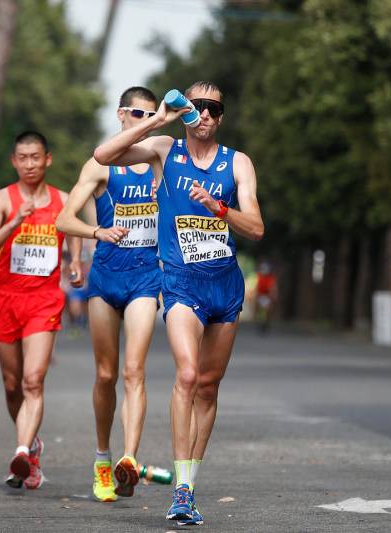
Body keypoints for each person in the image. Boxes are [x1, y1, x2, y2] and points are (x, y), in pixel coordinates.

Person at [93, 81, 264, 525]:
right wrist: (159, 120)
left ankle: (188, 481)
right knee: (187, 375)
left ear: (221, 117)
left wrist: (219, 208)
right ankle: (182, 495)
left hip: (225, 284)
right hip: (181, 282)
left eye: (212, 108)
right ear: (186, 109)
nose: (203, 114)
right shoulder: (166, 150)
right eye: (196, 106)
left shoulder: (238, 163)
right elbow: (103, 157)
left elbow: (257, 227)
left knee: (208, 385)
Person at [56, 86, 163, 503]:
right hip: (106, 277)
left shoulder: (159, 161)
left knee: (135, 371)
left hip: (144, 278)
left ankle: (129, 459)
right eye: (138, 114)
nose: (145, 122)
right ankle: (102, 458)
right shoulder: (100, 166)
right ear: (121, 115)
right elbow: (64, 219)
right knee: (106, 374)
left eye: (152, 116)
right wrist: (97, 232)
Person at [0, 131, 82, 489]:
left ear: (47, 159)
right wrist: (14, 222)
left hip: (44, 299)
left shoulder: (62, 200)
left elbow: (75, 228)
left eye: (36, 157)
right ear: (14, 161)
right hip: (6, 298)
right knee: (11, 385)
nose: (30, 164)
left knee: (32, 380)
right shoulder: (1, 199)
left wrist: (77, 260)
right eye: (23, 158)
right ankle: (32, 445)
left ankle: (21, 452)